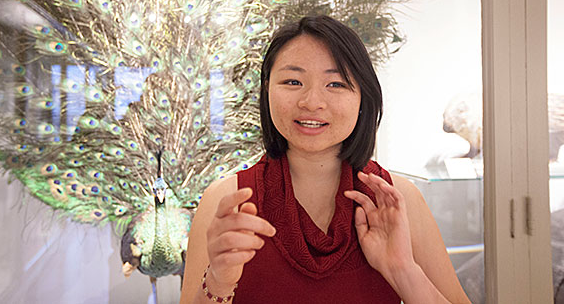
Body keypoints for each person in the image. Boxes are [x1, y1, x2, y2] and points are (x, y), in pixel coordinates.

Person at [180, 16, 470, 303]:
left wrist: (403, 270)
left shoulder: (397, 201)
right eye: (293, 81)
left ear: (363, 96)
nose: (312, 102)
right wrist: (218, 280)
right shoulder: (227, 201)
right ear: (267, 88)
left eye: (335, 84)